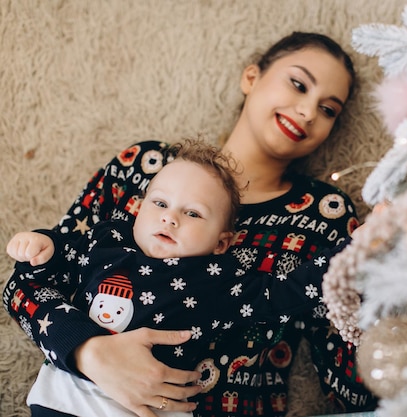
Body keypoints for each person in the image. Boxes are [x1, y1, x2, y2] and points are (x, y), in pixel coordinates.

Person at [3, 32, 376, 417]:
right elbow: (28, 280)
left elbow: (352, 376)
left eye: (328, 109)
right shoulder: (144, 167)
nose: (309, 111)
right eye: (298, 84)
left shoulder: (323, 216)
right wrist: (89, 351)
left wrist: (382, 264)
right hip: (74, 399)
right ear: (252, 78)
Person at [7, 139, 319, 416]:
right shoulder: (107, 241)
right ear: (139, 209)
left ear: (222, 243)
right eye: (160, 204)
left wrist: (354, 254)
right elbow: (49, 271)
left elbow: (283, 293)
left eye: (193, 213)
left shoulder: (219, 281)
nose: (170, 217)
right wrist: (41, 248)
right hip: (68, 399)